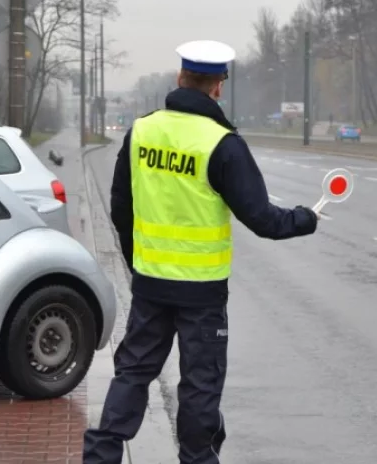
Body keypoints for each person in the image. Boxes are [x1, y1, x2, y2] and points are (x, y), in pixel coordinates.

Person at [83, 41, 318, 464]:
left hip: (152, 284)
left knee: (133, 373)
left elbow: (122, 207)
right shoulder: (223, 143)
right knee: (199, 386)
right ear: (218, 87)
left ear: (180, 78)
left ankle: (101, 456)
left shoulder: (143, 130)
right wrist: (305, 219)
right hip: (202, 295)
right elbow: (262, 219)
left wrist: (139, 261)